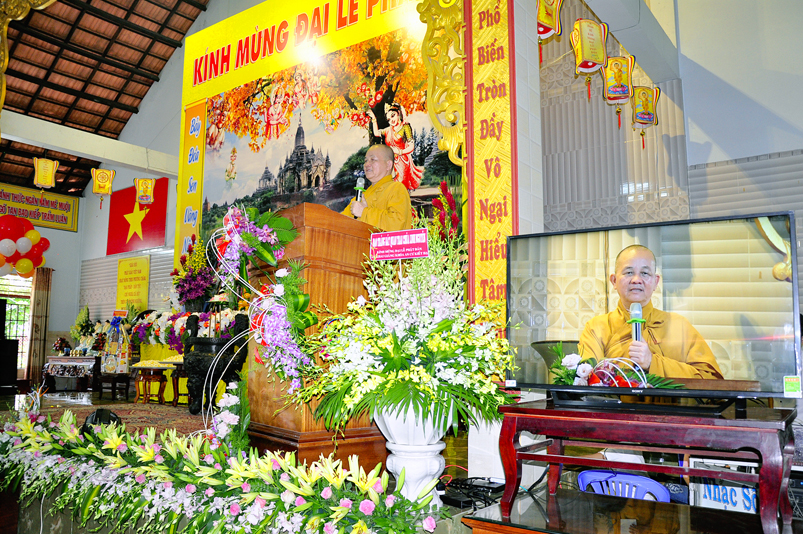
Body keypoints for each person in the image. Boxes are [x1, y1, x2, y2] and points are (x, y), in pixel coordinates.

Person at [578, 244, 724, 379]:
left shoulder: (679, 326)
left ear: (656, 282)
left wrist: (652, 362)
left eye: (644, 273)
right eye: (629, 272)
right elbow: (588, 380)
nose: (636, 280)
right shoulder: (596, 328)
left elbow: (710, 380)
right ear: (614, 281)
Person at [341, 144, 412, 232]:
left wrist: (364, 212)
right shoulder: (362, 196)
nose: (366, 164)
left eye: (373, 159)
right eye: (366, 160)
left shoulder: (396, 189)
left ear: (388, 165)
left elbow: (396, 223)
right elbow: (339, 222)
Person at [367, 103, 423, 191]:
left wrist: (399, 151)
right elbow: (377, 133)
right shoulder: (388, 130)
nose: (391, 120)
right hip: (390, 162)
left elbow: (411, 146)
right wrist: (374, 119)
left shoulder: (405, 127)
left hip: (402, 161)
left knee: (401, 185)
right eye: (389, 119)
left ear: (398, 113)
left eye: (393, 116)